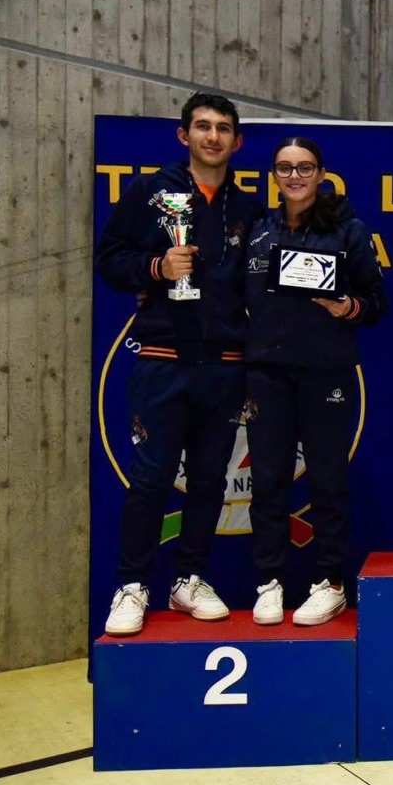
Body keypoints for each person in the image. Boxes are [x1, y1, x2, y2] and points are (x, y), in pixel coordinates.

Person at [96, 92, 266, 636]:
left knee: (210, 481)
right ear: (183, 135)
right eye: (202, 126)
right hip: (163, 360)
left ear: (237, 141)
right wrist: (156, 267)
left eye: (223, 129)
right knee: (150, 480)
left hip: (225, 365)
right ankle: (132, 585)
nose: (212, 137)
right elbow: (109, 259)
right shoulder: (150, 192)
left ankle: (189, 579)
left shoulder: (249, 210)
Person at [243, 137, 388, 626]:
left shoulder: (348, 230)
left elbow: (377, 302)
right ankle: (269, 581)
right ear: (274, 176)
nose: (295, 176)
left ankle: (329, 583)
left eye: (304, 167)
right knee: (268, 480)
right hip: (267, 373)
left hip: (327, 372)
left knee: (327, 480)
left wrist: (348, 308)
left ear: (321, 174)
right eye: (285, 168)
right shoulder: (258, 232)